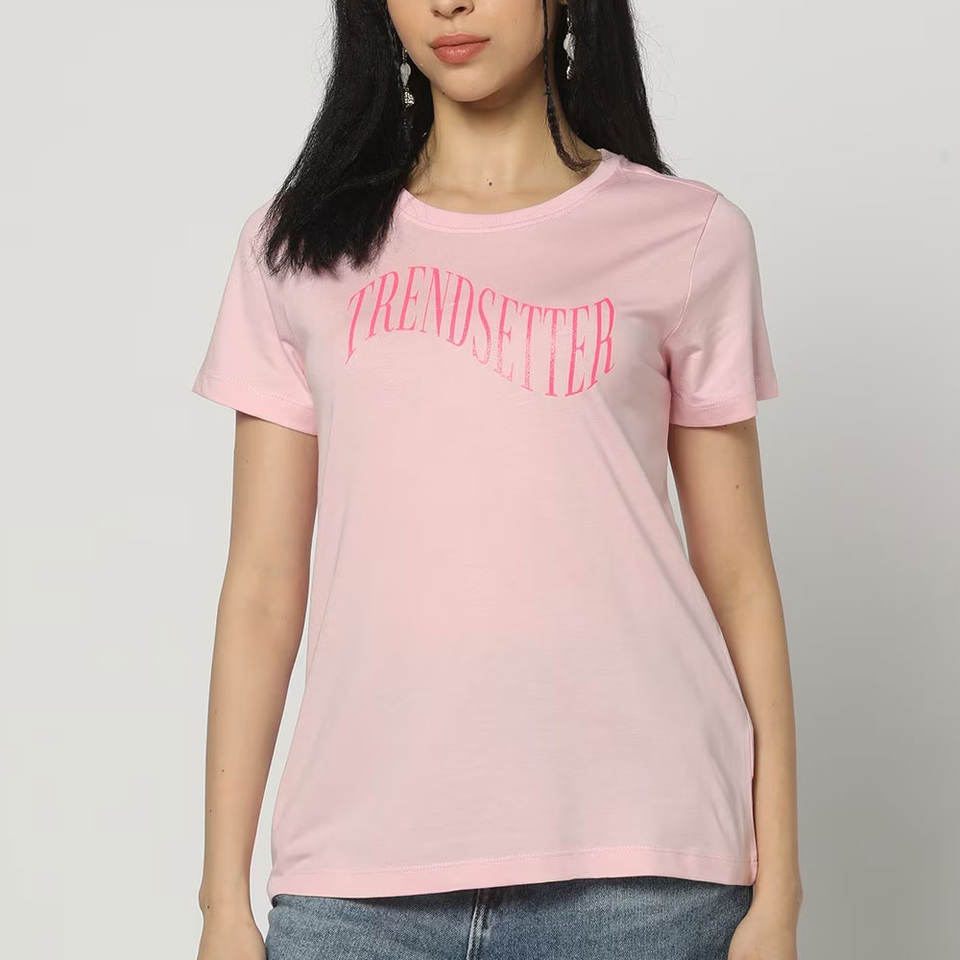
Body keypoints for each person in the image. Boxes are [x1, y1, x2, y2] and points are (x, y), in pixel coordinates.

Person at [191, 1, 802, 958]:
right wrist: (221, 903)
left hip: (643, 877)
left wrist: (782, 893)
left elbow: (742, 582)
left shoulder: (688, 234)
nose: (449, 4)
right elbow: (263, 586)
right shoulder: (298, 247)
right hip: (357, 886)